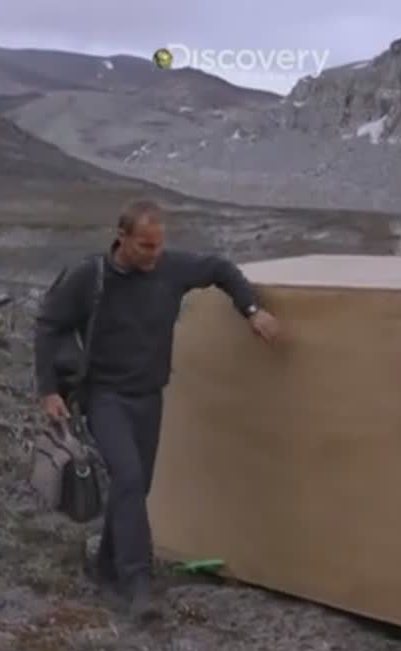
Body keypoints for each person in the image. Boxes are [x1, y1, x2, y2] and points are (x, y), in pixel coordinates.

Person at [33, 198, 281, 619]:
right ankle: (138, 584)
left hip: (149, 396)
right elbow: (48, 325)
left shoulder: (171, 269)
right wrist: (49, 390)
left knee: (136, 487)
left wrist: (252, 311)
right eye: (145, 246)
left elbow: (221, 269)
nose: (154, 254)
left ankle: (105, 566)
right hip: (104, 395)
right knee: (128, 477)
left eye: (159, 245)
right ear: (122, 238)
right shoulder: (89, 276)